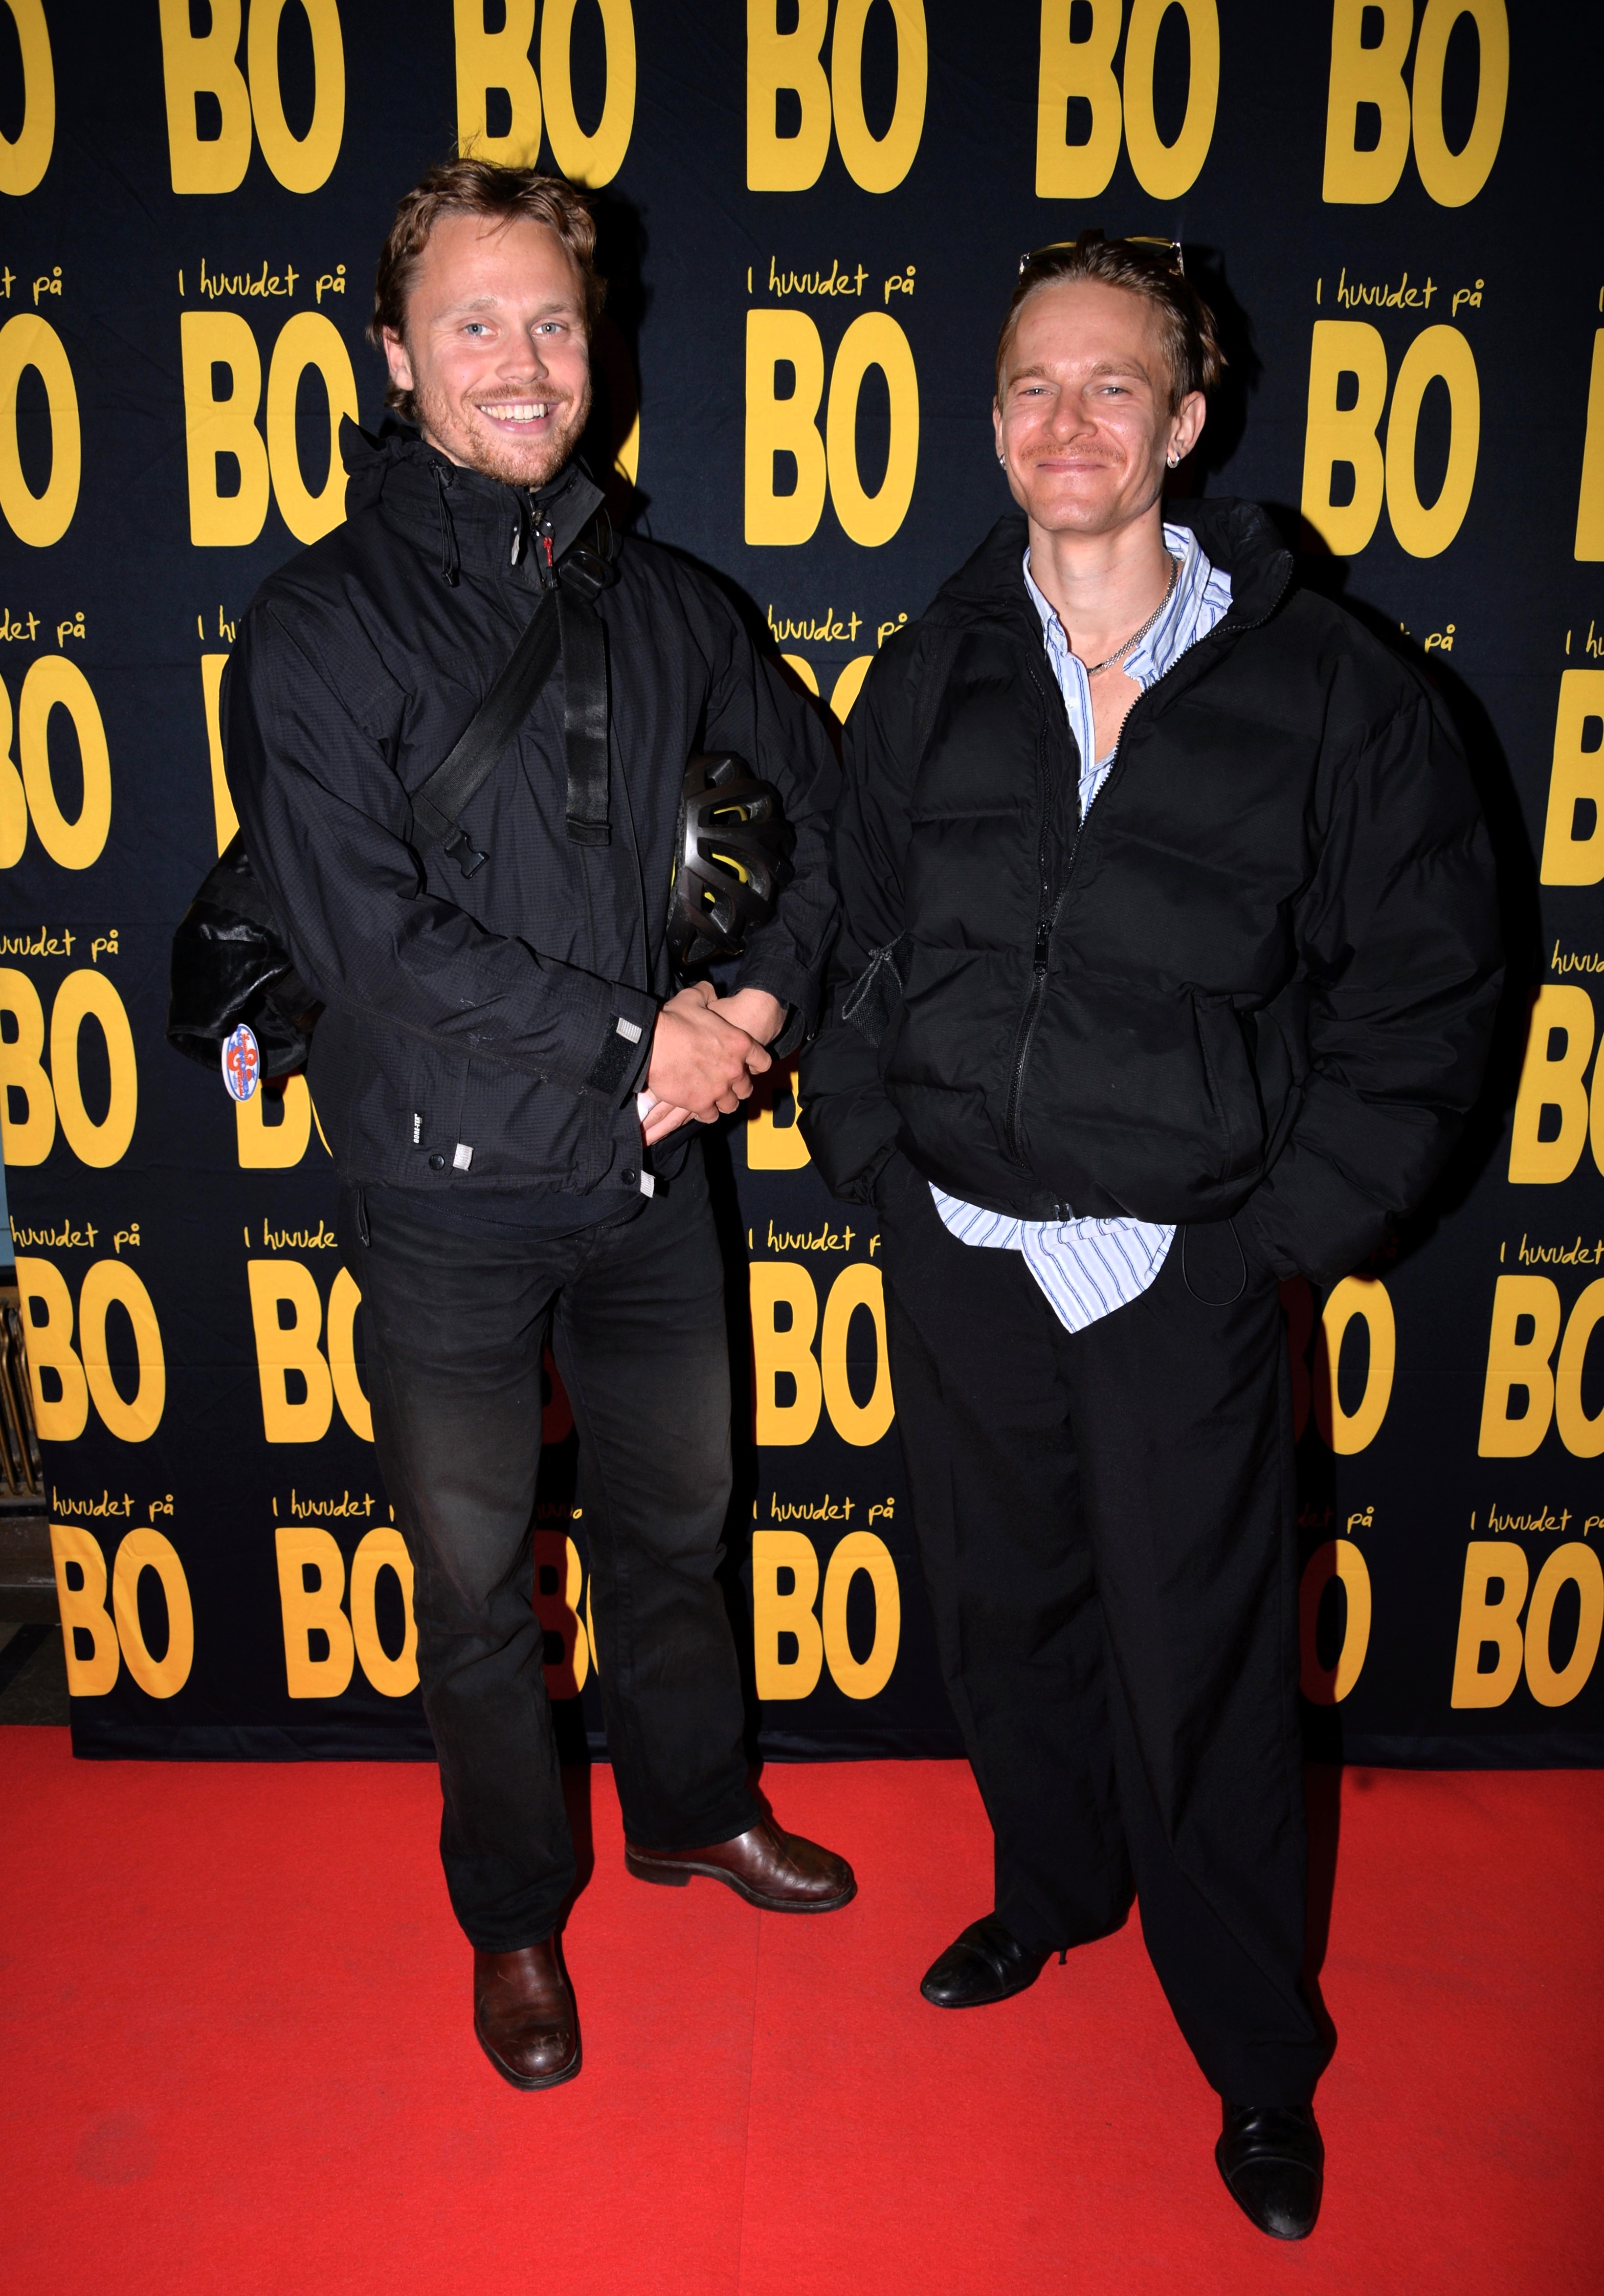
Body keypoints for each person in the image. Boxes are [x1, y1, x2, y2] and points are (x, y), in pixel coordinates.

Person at [799, 232, 1500, 2238]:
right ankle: (1052, 1890)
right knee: (1001, 1617)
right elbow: (851, 935)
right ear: (992, 420)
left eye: (1114, 384)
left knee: (1205, 1672)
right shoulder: (930, 667)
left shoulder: (1332, 691)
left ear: (1187, 419)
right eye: (1034, 383)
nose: (1069, 421)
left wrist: (1279, 1232)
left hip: (1178, 1265)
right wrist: (875, 1153)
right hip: (961, 1243)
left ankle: (1257, 2058)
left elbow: (1425, 992)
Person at [223, 159, 852, 2094]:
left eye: (555, 321)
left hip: (650, 1181)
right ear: (393, 352)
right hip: (441, 1197)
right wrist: (638, 1037)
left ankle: (692, 1807)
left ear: (602, 345)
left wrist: (751, 1015)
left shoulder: (670, 602)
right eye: (476, 322)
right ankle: (513, 1915)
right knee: (478, 1587)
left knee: (679, 1529)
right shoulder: (316, 624)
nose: (523, 360)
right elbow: (367, 940)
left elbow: (827, 828)